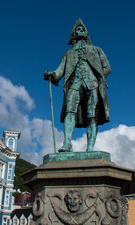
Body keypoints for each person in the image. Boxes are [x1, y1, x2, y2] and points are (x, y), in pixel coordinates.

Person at [44, 19, 111, 152]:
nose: (80, 31)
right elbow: (60, 71)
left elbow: (107, 68)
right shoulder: (68, 54)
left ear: (86, 34)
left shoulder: (96, 50)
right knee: (69, 110)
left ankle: (90, 147)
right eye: (77, 29)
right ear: (73, 35)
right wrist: (53, 75)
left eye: (82, 29)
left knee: (92, 115)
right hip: (75, 84)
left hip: (92, 84)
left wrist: (98, 79)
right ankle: (67, 143)